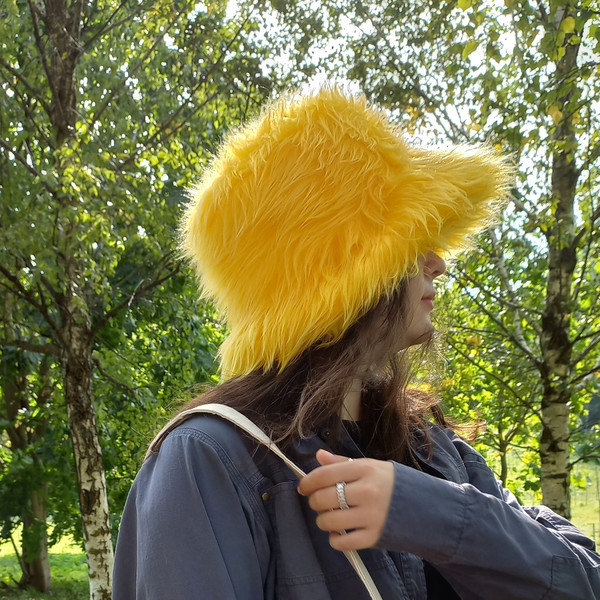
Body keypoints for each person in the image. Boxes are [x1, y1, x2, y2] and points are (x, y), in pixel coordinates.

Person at [113, 88, 600, 599]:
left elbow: (584, 581)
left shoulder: (431, 451)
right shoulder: (210, 460)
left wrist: (432, 515)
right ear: (341, 274)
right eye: (411, 242)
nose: (438, 262)